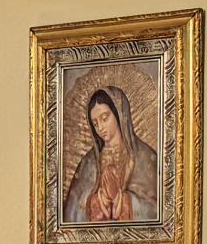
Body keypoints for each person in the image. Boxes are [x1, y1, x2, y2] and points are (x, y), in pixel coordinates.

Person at [62, 83, 159, 224]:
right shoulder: (88, 163)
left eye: (105, 118)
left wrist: (126, 200)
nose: (100, 128)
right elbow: (71, 214)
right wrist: (94, 202)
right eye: (95, 123)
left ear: (119, 115)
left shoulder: (145, 157)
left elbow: (160, 210)